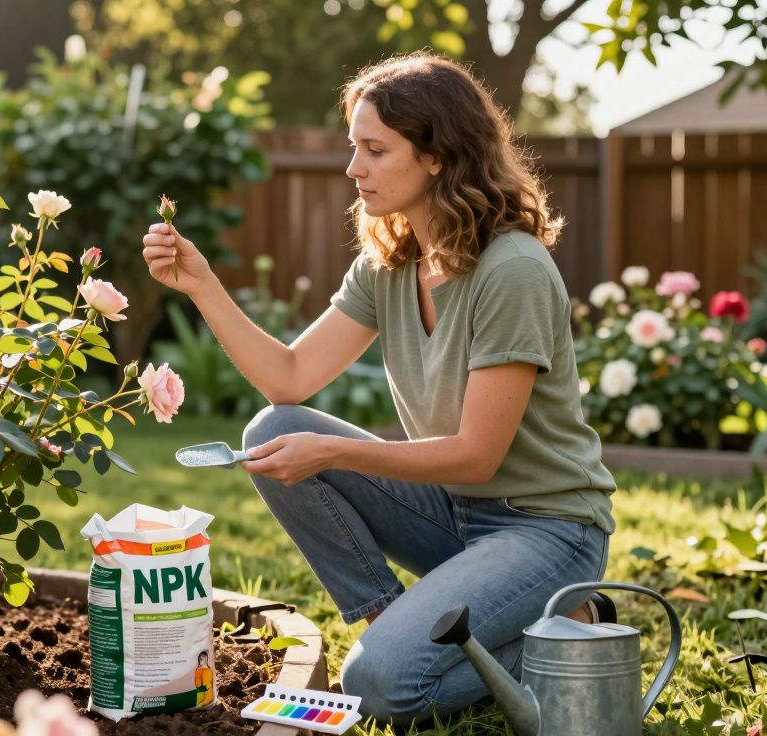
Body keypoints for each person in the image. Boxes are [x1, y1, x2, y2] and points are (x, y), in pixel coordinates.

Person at [140, 51, 614, 727]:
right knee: (271, 431)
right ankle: (393, 620)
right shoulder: (391, 264)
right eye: (352, 147)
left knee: (379, 687)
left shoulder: (513, 270)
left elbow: (478, 455)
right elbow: (289, 379)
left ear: (437, 158)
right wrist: (202, 286)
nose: (352, 169)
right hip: (453, 515)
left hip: (544, 529)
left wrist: (333, 454)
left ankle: (572, 626)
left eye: (374, 150)